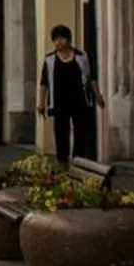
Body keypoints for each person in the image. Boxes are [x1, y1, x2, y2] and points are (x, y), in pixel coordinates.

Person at [38, 24, 99, 166]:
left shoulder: (81, 57)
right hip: (59, 101)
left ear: (68, 40)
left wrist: (97, 95)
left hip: (79, 100)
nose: (58, 42)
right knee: (61, 133)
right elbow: (44, 83)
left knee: (80, 132)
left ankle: (79, 160)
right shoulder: (50, 60)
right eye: (55, 39)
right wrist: (41, 103)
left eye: (61, 39)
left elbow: (91, 77)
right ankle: (62, 161)